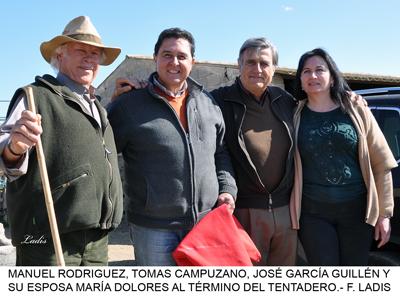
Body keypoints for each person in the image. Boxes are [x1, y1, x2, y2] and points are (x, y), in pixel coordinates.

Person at [107, 28, 237, 266]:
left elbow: (220, 153)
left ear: (193, 62)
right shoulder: (128, 105)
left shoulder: (208, 103)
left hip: (205, 224)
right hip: (152, 229)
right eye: (167, 55)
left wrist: (227, 188)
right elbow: (101, 151)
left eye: (182, 56)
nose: (174, 62)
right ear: (155, 58)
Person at [0, 16, 123, 266]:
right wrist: (15, 147)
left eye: (96, 53)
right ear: (59, 56)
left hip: (97, 238)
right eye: (81, 51)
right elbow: (6, 153)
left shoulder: (98, 107)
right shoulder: (35, 96)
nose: (90, 58)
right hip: (48, 239)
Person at [290, 48, 397, 265]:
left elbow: (381, 162)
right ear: (300, 80)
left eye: (320, 70)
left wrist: (384, 214)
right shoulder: (293, 113)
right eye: (306, 71)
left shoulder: (356, 109)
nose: (313, 76)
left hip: (357, 213)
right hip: (313, 213)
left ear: (331, 77)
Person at [210, 38, 298, 265]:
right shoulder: (219, 100)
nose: (257, 69)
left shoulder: (284, 100)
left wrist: (347, 97)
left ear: (274, 68)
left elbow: (320, 101)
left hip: (286, 210)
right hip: (243, 211)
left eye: (264, 63)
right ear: (239, 65)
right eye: (250, 62)